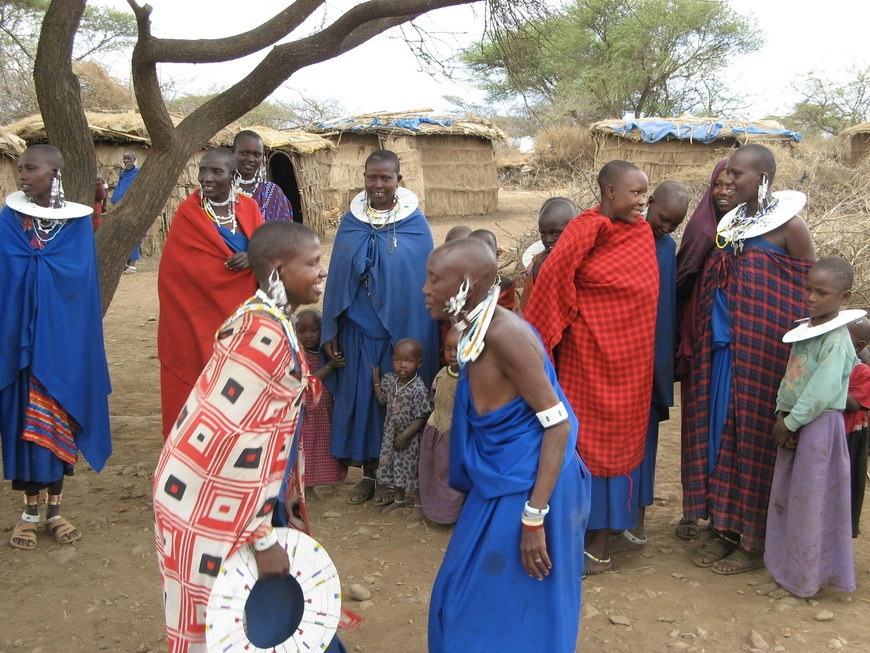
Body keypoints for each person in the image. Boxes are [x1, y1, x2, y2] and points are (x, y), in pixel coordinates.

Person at [153, 220, 348, 653]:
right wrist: (262, 538)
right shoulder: (262, 336)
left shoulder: (268, 321)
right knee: (232, 624)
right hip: (212, 500)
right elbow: (232, 440)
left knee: (263, 619)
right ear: (277, 270)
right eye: (313, 263)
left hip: (238, 498)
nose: (322, 272)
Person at [424, 238, 588, 651]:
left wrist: (534, 518)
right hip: (507, 480)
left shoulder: (504, 335)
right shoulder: (475, 331)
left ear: (463, 284)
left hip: (536, 486)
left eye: (432, 280)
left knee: (509, 603)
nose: (424, 289)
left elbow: (558, 426)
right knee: (465, 593)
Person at [682, 144, 816, 574]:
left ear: (761, 178)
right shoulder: (730, 223)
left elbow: (808, 295)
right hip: (721, 353)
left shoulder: (791, 228)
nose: (727, 180)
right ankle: (724, 527)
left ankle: (753, 540)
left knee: (755, 443)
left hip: (765, 358)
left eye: (737, 174)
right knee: (721, 436)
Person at [524, 160, 659, 575]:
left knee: (617, 447)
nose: (642, 201)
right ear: (610, 192)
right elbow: (552, 285)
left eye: (645, 194)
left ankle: (601, 546)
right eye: (635, 193)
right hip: (585, 358)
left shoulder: (642, 234)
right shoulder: (584, 229)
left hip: (630, 362)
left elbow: (643, 296)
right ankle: (574, 539)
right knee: (580, 444)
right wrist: (538, 349)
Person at [1, 144, 112, 549]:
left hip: (64, 344)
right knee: (23, 429)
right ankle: (28, 513)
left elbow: (79, 283)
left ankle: (55, 511)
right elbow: (7, 270)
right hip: (22, 345)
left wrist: (40, 269)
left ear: (54, 174)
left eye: (31, 168)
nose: (22, 175)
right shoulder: (10, 219)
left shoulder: (77, 224)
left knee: (58, 423)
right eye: (19, 169)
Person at [321, 149, 439, 506]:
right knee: (365, 403)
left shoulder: (415, 225)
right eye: (372, 177)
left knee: (399, 406)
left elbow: (418, 279)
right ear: (364, 179)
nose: (378, 184)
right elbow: (338, 279)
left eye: (386, 178)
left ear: (398, 181)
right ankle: (370, 474)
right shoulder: (351, 223)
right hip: (358, 332)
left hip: (399, 337)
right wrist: (332, 330)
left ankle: (397, 479)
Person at [764, 257, 857, 598]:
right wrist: (780, 415)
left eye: (822, 292)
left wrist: (789, 421)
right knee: (790, 498)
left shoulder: (836, 341)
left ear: (843, 297)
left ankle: (806, 578)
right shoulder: (807, 330)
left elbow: (821, 392)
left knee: (811, 502)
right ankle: (786, 568)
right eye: (808, 289)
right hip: (793, 424)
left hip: (819, 429)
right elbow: (792, 378)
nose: (812, 298)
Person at [157, 147, 264, 439]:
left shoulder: (249, 208)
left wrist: (253, 256)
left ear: (233, 175)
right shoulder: (188, 213)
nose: (206, 178)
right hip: (196, 319)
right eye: (203, 170)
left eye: (216, 172)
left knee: (240, 388)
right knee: (197, 385)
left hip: (241, 319)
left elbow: (269, 252)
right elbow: (174, 274)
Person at [617, 181, 689, 548]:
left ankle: (637, 519)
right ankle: (605, 517)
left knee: (644, 442)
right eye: (663, 218)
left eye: (675, 224)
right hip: (617, 357)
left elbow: (665, 315)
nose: (666, 227)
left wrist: (661, 368)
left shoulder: (667, 248)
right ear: (650, 201)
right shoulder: (619, 236)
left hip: (649, 361)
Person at [673, 158, 736, 540]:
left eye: (732, 184)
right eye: (719, 184)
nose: (725, 191)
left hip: (731, 345)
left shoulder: (753, 229)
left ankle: (719, 510)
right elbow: (681, 280)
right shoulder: (703, 229)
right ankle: (695, 508)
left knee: (724, 427)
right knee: (701, 427)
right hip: (703, 341)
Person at [371, 338, 433, 519]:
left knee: (412, 470)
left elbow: (422, 416)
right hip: (392, 435)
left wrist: (405, 435)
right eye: (398, 360)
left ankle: (418, 505)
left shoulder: (418, 388)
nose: (402, 365)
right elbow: (382, 400)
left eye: (408, 361)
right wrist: (376, 380)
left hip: (411, 440)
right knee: (395, 467)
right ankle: (399, 501)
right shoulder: (391, 381)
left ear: (418, 363)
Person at [296, 308, 348, 496]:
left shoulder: (327, 352)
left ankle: (319, 481)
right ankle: (307, 486)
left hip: (325, 411)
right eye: (302, 331)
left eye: (313, 330)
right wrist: (330, 366)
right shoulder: (299, 356)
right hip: (308, 412)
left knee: (323, 449)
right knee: (307, 450)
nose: (308, 335)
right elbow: (309, 380)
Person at [419, 327, 466, 525]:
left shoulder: (470, 380)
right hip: (437, 430)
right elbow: (434, 398)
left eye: (458, 349)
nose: (452, 354)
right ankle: (435, 512)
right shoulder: (441, 374)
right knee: (434, 473)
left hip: (457, 438)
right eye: (448, 349)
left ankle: (450, 516)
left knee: (452, 478)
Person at [518, 197, 576, 316]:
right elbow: (527, 306)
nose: (548, 240)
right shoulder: (537, 261)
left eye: (556, 233)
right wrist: (536, 272)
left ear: (573, 229)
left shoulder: (582, 258)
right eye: (543, 234)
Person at [232, 129, 294, 222]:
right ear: (233, 152)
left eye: (257, 155)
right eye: (244, 153)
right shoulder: (221, 190)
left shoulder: (274, 194)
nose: (250, 159)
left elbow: (283, 232)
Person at [844, 316, 870, 537]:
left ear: (859, 346)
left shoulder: (862, 371)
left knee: (849, 482)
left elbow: (853, 405)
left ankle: (845, 528)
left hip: (851, 437)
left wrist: (828, 382)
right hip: (835, 433)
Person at [468, 228, 516, 311]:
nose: (481, 256)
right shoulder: (461, 287)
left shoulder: (506, 284)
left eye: (487, 250)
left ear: (497, 254)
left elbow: (510, 315)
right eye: (475, 251)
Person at [111, 149, 143, 273]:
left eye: (129, 158)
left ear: (134, 160)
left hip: (133, 209)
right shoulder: (123, 173)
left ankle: (132, 264)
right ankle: (123, 263)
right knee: (120, 236)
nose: (126, 161)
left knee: (133, 235)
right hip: (120, 209)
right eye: (124, 158)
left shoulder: (138, 173)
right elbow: (120, 188)